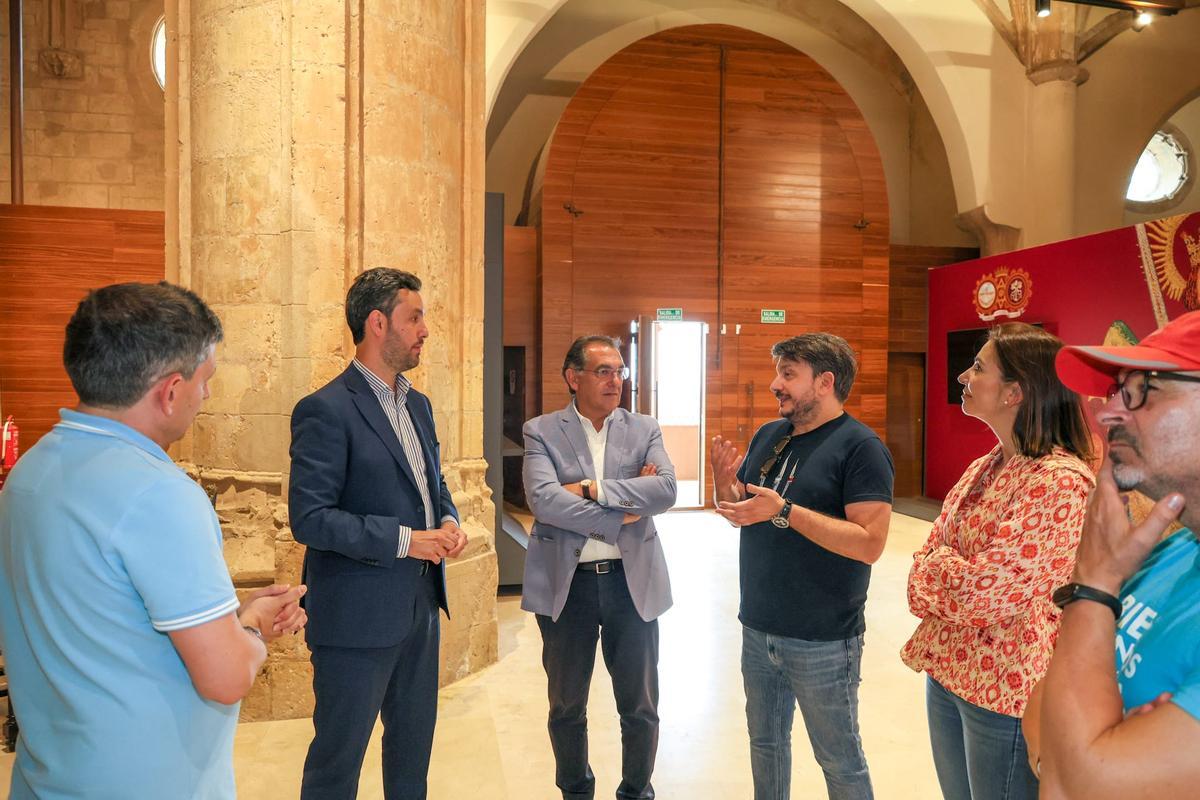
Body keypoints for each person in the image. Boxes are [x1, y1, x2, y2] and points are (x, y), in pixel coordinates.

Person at [0, 282, 306, 799]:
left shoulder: (30, 471)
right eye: (204, 380)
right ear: (169, 391)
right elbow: (226, 677)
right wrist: (251, 628)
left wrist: (223, 622)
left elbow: (105, 620)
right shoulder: (159, 494)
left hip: (47, 778)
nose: (206, 396)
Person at [289, 268, 468, 800]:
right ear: (377, 323)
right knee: (336, 766)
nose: (425, 329)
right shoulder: (325, 409)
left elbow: (432, 483)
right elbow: (310, 517)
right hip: (354, 617)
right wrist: (407, 540)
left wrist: (449, 519)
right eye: (414, 317)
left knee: (412, 757)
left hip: (420, 608)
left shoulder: (418, 404)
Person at [900, 322, 1094, 800]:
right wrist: (947, 569)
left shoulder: (1059, 481)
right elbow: (921, 564)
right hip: (949, 669)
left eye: (978, 368)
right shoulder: (985, 466)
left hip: (1006, 690)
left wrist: (943, 568)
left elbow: (983, 593)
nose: (964, 376)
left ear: (1015, 393)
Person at [710, 333, 894, 800]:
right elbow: (746, 509)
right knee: (765, 746)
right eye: (778, 372)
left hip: (824, 638)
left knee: (839, 760)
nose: (775, 384)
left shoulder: (861, 448)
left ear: (825, 382)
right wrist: (724, 485)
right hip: (759, 627)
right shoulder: (770, 435)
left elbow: (870, 544)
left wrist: (786, 512)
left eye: (788, 374)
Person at [1026, 310, 1200, 798]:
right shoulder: (1166, 555)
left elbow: (1082, 782)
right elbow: (1038, 714)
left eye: (1143, 389)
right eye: (1116, 391)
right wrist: (1076, 752)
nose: (1105, 414)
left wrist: (1095, 585)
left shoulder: (1116, 570)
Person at [521, 334, 677, 800]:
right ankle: (576, 791)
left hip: (633, 585)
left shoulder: (644, 428)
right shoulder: (541, 431)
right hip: (567, 589)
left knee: (641, 705)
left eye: (620, 372)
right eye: (604, 371)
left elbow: (666, 490)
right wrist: (626, 508)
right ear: (574, 377)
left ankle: (635, 791)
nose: (616, 381)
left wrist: (589, 489)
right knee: (566, 705)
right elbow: (544, 501)